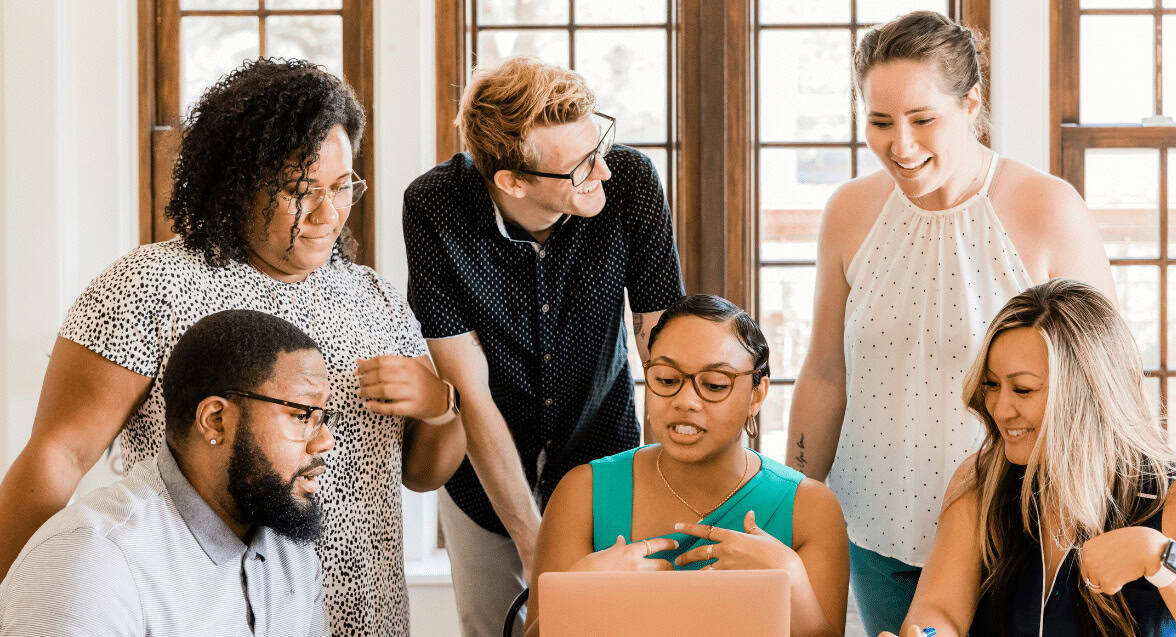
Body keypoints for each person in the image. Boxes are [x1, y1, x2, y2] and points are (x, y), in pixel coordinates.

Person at [0, 59, 465, 636]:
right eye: (301, 191)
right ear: (239, 181)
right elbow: (59, 454)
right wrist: (15, 593)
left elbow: (423, 474)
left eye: (342, 186)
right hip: (202, 609)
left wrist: (441, 404)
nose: (328, 213)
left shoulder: (373, 298)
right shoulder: (150, 285)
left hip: (366, 614)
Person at [783, 11, 1117, 634]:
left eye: (922, 119)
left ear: (971, 103)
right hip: (876, 532)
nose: (900, 145)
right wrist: (790, 502)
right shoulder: (849, 212)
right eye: (879, 122)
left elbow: (1105, 383)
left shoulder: (1047, 209)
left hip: (1014, 531)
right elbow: (827, 373)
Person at [403, 56, 684, 635]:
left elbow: (667, 357)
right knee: (493, 628)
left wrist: (663, 503)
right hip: (481, 479)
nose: (601, 172)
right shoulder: (434, 206)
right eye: (580, 167)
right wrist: (535, 548)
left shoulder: (628, 181)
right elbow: (468, 389)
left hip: (603, 453)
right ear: (512, 181)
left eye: (598, 148)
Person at [882, 279, 1176, 637]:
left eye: (1023, 389)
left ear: (1089, 391)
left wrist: (1161, 559)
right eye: (991, 385)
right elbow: (939, 610)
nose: (1000, 407)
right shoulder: (979, 481)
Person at [526, 294, 849, 637]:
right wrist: (582, 594)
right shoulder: (583, 493)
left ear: (756, 394)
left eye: (714, 385)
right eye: (666, 379)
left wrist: (790, 578)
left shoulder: (811, 509)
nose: (685, 401)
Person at [0, 310, 334, 636]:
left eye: (323, 416)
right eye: (302, 415)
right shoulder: (90, 562)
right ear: (215, 420)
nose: (325, 441)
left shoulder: (292, 555)